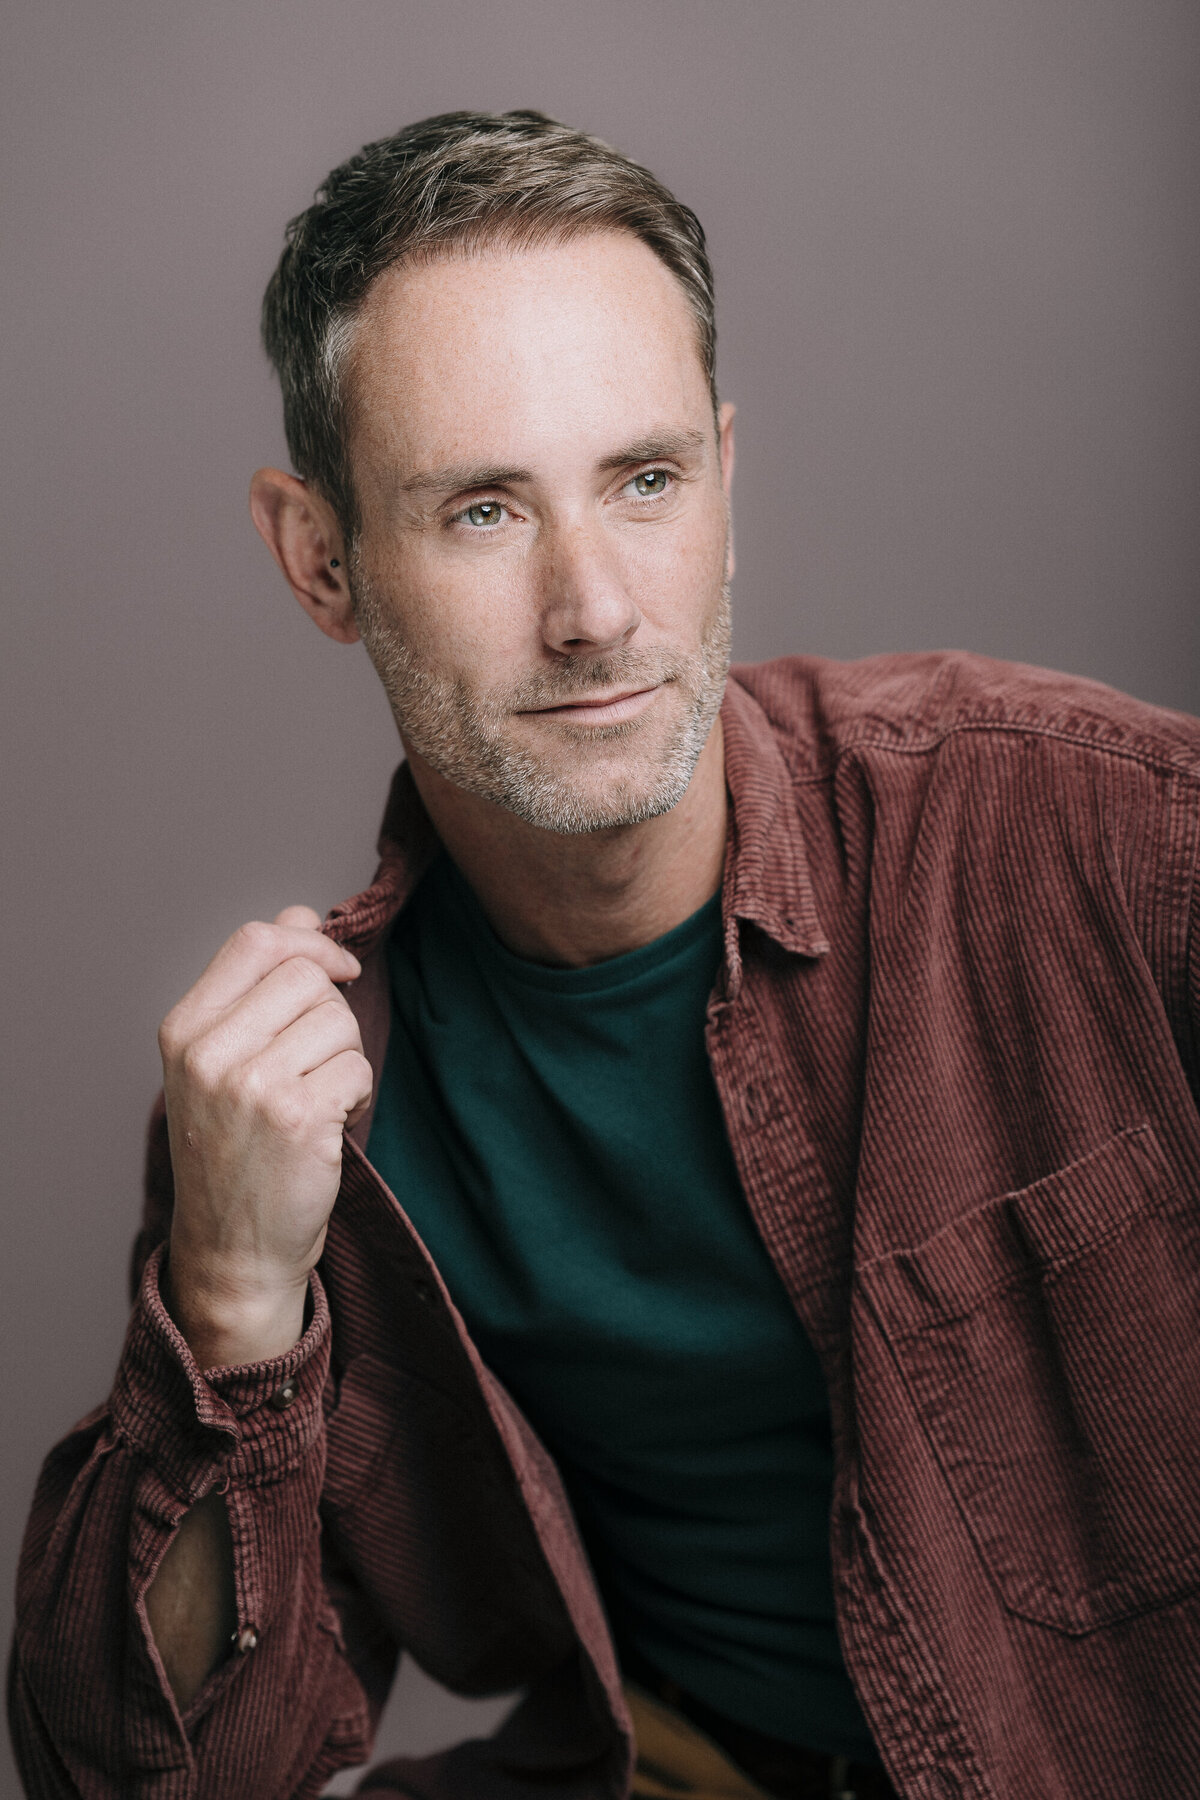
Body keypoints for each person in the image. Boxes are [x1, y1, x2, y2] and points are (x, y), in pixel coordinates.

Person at [9, 109, 1200, 1800]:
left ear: (726, 479)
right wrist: (227, 1301)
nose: (596, 610)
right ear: (321, 560)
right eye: (484, 511)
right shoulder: (306, 1113)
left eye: (646, 482)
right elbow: (144, 1773)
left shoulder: (1086, 832)